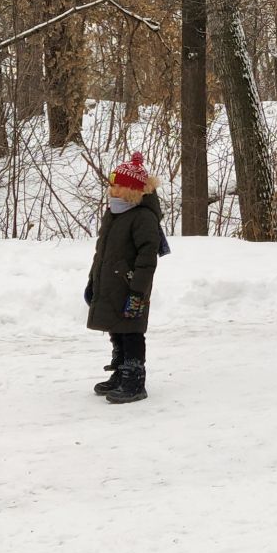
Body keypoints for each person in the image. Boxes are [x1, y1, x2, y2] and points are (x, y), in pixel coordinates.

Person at [87, 152, 167, 405]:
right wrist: (93, 280)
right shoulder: (114, 213)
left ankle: (134, 378)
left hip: (131, 284)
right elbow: (101, 252)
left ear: (132, 190)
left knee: (131, 330)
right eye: (112, 184)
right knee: (115, 327)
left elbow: (147, 260)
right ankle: (121, 370)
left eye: (118, 185)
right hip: (110, 281)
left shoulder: (143, 217)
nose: (112, 189)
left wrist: (137, 292)